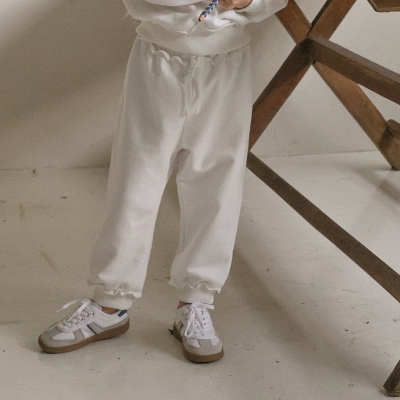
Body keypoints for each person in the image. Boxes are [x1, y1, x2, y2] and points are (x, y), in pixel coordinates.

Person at [38, 0, 288, 362]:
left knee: (216, 183)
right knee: (136, 180)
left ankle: (196, 301)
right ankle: (110, 303)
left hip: (228, 61)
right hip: (160, 57)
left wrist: (249, 2)